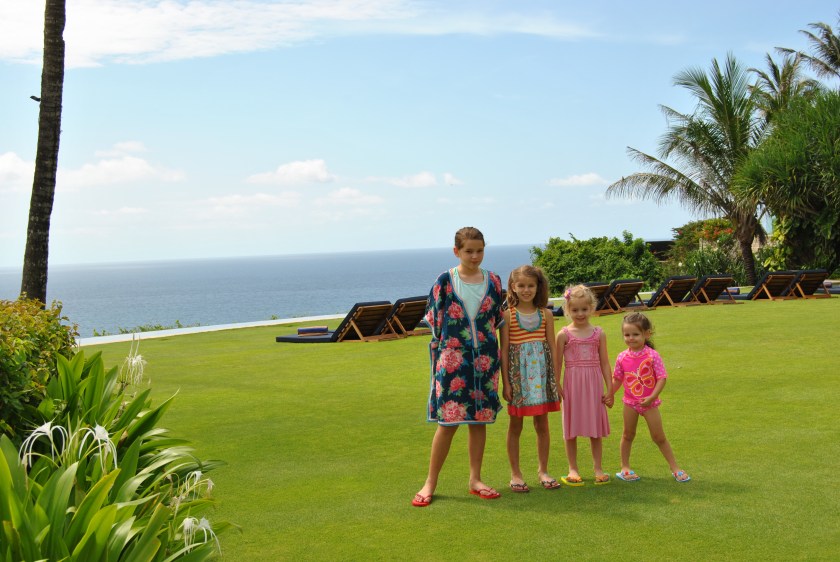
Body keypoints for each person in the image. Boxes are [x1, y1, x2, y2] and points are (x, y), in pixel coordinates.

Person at [412, 227, 506, 507]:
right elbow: (435, 322)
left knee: (479, 422)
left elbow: (497, 319)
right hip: (452, 362)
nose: (475, 256)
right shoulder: (445, 281)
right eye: (469, 251)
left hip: (486, 362)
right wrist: (453, 347)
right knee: (447, 424)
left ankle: (475, 479)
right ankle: (430, 482)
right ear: (457, 251)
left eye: (480, 250)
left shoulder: (494, 280)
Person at [500, 265, 562, 492]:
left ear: (538, 287)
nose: (526, 290)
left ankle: (543, 470)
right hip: (519, 379)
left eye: (531, 286)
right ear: (513, 287)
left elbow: (552, 347)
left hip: (541, 379)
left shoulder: (546, 314)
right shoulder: (508, 316)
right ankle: (515, 474)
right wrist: (506, 383)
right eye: (521, 285)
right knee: (515, 425)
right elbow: (504, 351)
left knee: (542, 424)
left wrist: (556, 380)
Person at [610, 312, 691, 483]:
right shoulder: (622, 357)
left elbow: (662, 378)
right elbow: (617, 379)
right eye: (627, 335)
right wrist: (609, 394)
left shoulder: (652, 355)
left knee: (659, 437)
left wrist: (652, 397)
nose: (631, 338)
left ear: (647, 334)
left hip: (650, 404)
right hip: (629, 404)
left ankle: (675, 468)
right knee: (627, 435)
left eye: (635, 334)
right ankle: (625, 468)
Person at [555, 284, 613, 486]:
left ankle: (598, 468)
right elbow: (557, 363)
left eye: (584, 309)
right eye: (575, 310)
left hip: (594, 385)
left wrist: (610, 388)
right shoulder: (563, 334)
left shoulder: (599, 333)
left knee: (595, 428)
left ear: (592, 308)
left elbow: (605, 363)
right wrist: (557, 385)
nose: (580, 314)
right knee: (570, 428)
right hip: (572, 386)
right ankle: (572, 468)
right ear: (567, 310)